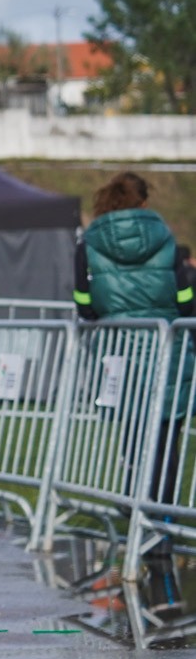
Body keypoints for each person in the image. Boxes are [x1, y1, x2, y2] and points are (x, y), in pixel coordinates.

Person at [74, 171, 195, 511]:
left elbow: (84, 304)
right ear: (143, 202)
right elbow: (185, 297)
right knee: (167, 436)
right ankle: (162, 517)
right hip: (167, 348)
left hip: (119, 351)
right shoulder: (166, 238)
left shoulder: (88, 244)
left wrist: (108, 312)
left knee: (133, 430)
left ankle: (133, 502)